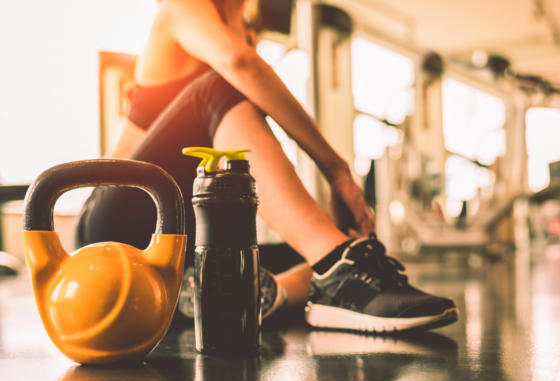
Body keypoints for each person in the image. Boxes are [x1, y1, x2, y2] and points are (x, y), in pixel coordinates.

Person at [76, 0, 458, 332]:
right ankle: (336, 270)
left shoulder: (240, 31)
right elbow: (237, 63)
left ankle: (246, 294)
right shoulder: (181, 7)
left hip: (182, 241)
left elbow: (253, 143)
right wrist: (336, 169)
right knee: (217, 85)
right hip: (115, 228)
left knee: (328, 238)